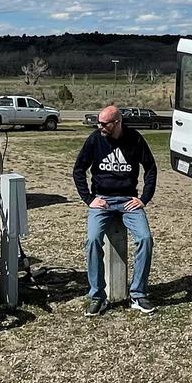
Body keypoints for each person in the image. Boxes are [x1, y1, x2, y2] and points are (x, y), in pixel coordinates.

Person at [73, 104, 157, 316]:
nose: (99, 126)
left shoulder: (135, 139)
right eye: (98, 122)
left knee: (145, 239)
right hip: (102, 200)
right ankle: (97, 296)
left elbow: (151, 168)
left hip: (129, 200)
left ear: (117, 123)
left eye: (104, 123)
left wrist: (144, 199)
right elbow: (78, 170)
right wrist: (89, 199)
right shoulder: (95, 139)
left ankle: (138, 294)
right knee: (92, 240)